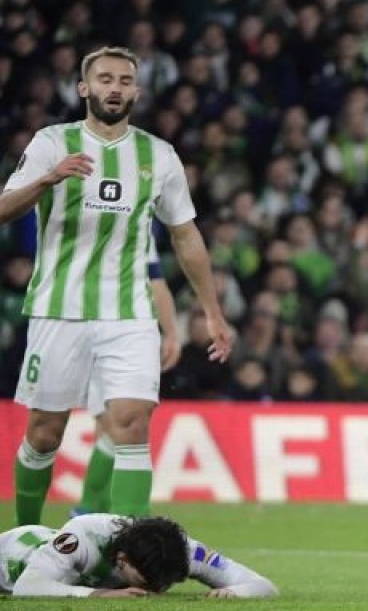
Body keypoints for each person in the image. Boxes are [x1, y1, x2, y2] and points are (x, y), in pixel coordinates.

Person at [0, 47, 234, 526]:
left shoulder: (159, 155)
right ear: (84, 88)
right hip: (59, 309)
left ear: (138, 91)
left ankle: (131, 552)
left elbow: (185, 235)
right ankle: (22, 538)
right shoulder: (52, 141)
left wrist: (211, 310)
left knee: (131, 423)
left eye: (125, 80)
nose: (115, 87)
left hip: (129, 314)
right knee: (44, 432)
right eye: (105, 79)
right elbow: (4, 209)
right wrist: (47, 180)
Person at [75, 242, 182, 516]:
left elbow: (155, 281)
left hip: (123, 334)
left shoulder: (140, 228)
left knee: (114, 428)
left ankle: (101, 513)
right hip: (97, 329)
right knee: (113, 427)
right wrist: (170, 332)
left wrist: (170, 332)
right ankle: (93, 510)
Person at [0, 513, 276, 597]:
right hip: (11, 552)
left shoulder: (183, 551)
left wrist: (233, 593)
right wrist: (100, 595)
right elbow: (27, 586)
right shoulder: (83, 536)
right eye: (147, 582)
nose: (156, 590)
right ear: (122, 560)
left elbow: (264, 586)